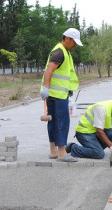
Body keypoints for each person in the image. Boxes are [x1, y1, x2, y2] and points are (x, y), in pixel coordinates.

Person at [40, 28, 83, 162]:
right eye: (74, 42)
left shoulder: (64, 51)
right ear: (67, 38)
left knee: (52, 122)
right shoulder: (59, 52)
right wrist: (46, 88)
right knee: (62, 122)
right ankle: (62, 153)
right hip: (57, 95)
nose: (75, 45)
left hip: (54, 94)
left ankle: (53, 152)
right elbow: (49, 70)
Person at [65, 94, 112, 159]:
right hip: (84, 132)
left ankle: (94, 149)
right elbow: (99, 131)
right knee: (99, 154)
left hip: (96, 132)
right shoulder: (101, 108)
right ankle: (73, 147)